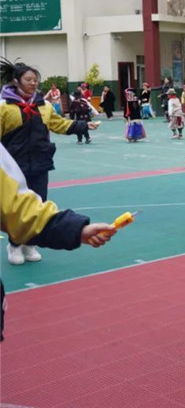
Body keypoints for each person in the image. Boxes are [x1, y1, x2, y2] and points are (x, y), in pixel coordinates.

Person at [0, 143, 116, 341]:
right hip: (19, 159)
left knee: (36, 196)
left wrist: (73, 229)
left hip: (37, 164)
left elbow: (13, 205)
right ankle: (15, 245)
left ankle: (26, 244)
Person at [0, 58, 97, 265]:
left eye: (35, 80)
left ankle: (30, 243)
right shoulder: (4, 107)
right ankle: (14, 245)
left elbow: (58, 124)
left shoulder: (43, 106)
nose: (33, 83)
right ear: (16, 81)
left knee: (38, 202)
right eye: (28, 79)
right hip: (13, 168)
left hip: (40, 164)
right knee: (16, 207)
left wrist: (82, 126)